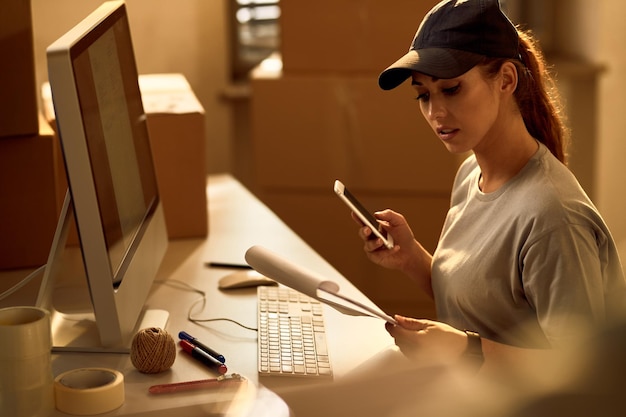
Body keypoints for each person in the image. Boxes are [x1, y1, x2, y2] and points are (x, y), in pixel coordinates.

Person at [355, 0, 626, 372]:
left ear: (506, 80)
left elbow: (586, 372)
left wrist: (467, 350)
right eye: (423, 94)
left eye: (451, 89)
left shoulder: (554, 218)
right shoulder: (470, 175)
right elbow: (487, 307)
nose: (435, 112)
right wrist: (412, 258)